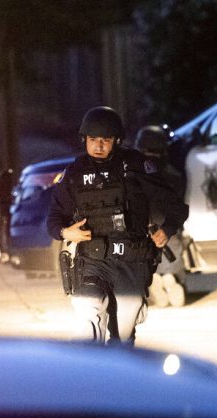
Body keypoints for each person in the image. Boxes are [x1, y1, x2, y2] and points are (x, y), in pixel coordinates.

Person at [47, 106, 188, 344]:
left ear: (117, 141)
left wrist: (168, 229)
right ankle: (88, 378)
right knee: (88, 317)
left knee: (122, 339)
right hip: (92, 261)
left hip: (131, 262)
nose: (99, 145)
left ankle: (117, 377)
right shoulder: (74, 174)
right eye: (93, 139)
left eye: (105, 140)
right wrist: (65, 232)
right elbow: (53, 218)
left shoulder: (136, 166)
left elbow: (175, 205)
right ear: (85, 140)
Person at [134, 124, 188, 308]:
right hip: (168, 227)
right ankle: (171, 278)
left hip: (143, 228)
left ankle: (154, 279)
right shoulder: (174, 174)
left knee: (145, 257)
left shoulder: (134, 171)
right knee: (174, 246)